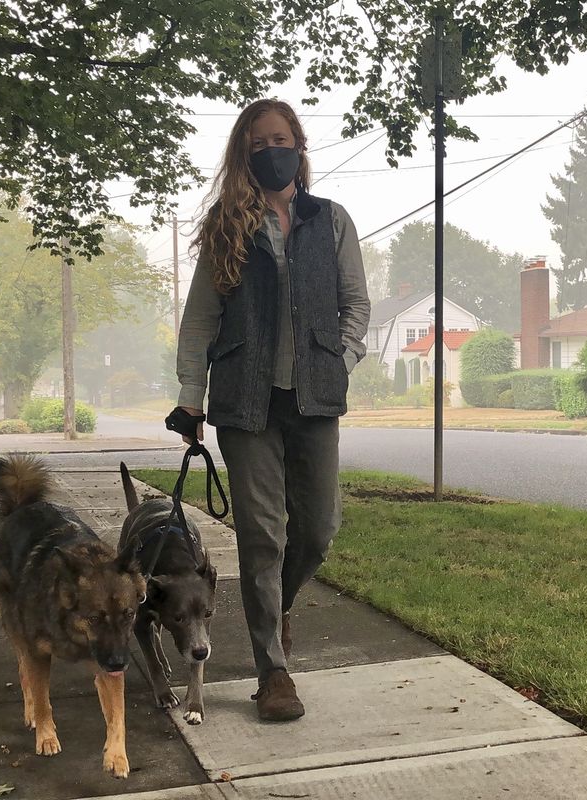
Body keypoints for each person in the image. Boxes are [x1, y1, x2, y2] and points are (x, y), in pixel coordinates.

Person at [173, 98, 370, 721]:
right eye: (257, 144)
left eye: (279, 139)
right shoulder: (225, 228)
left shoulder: (331, 221)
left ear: (299, 145)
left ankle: (273, 607)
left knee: (316, 531)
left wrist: (339, 356)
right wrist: (189, 397)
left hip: (314, 399)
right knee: (263, 538)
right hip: (243, 403)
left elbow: (355, 305)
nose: (269, 150)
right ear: (243, 154)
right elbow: (200, 319)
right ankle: (274, 673)